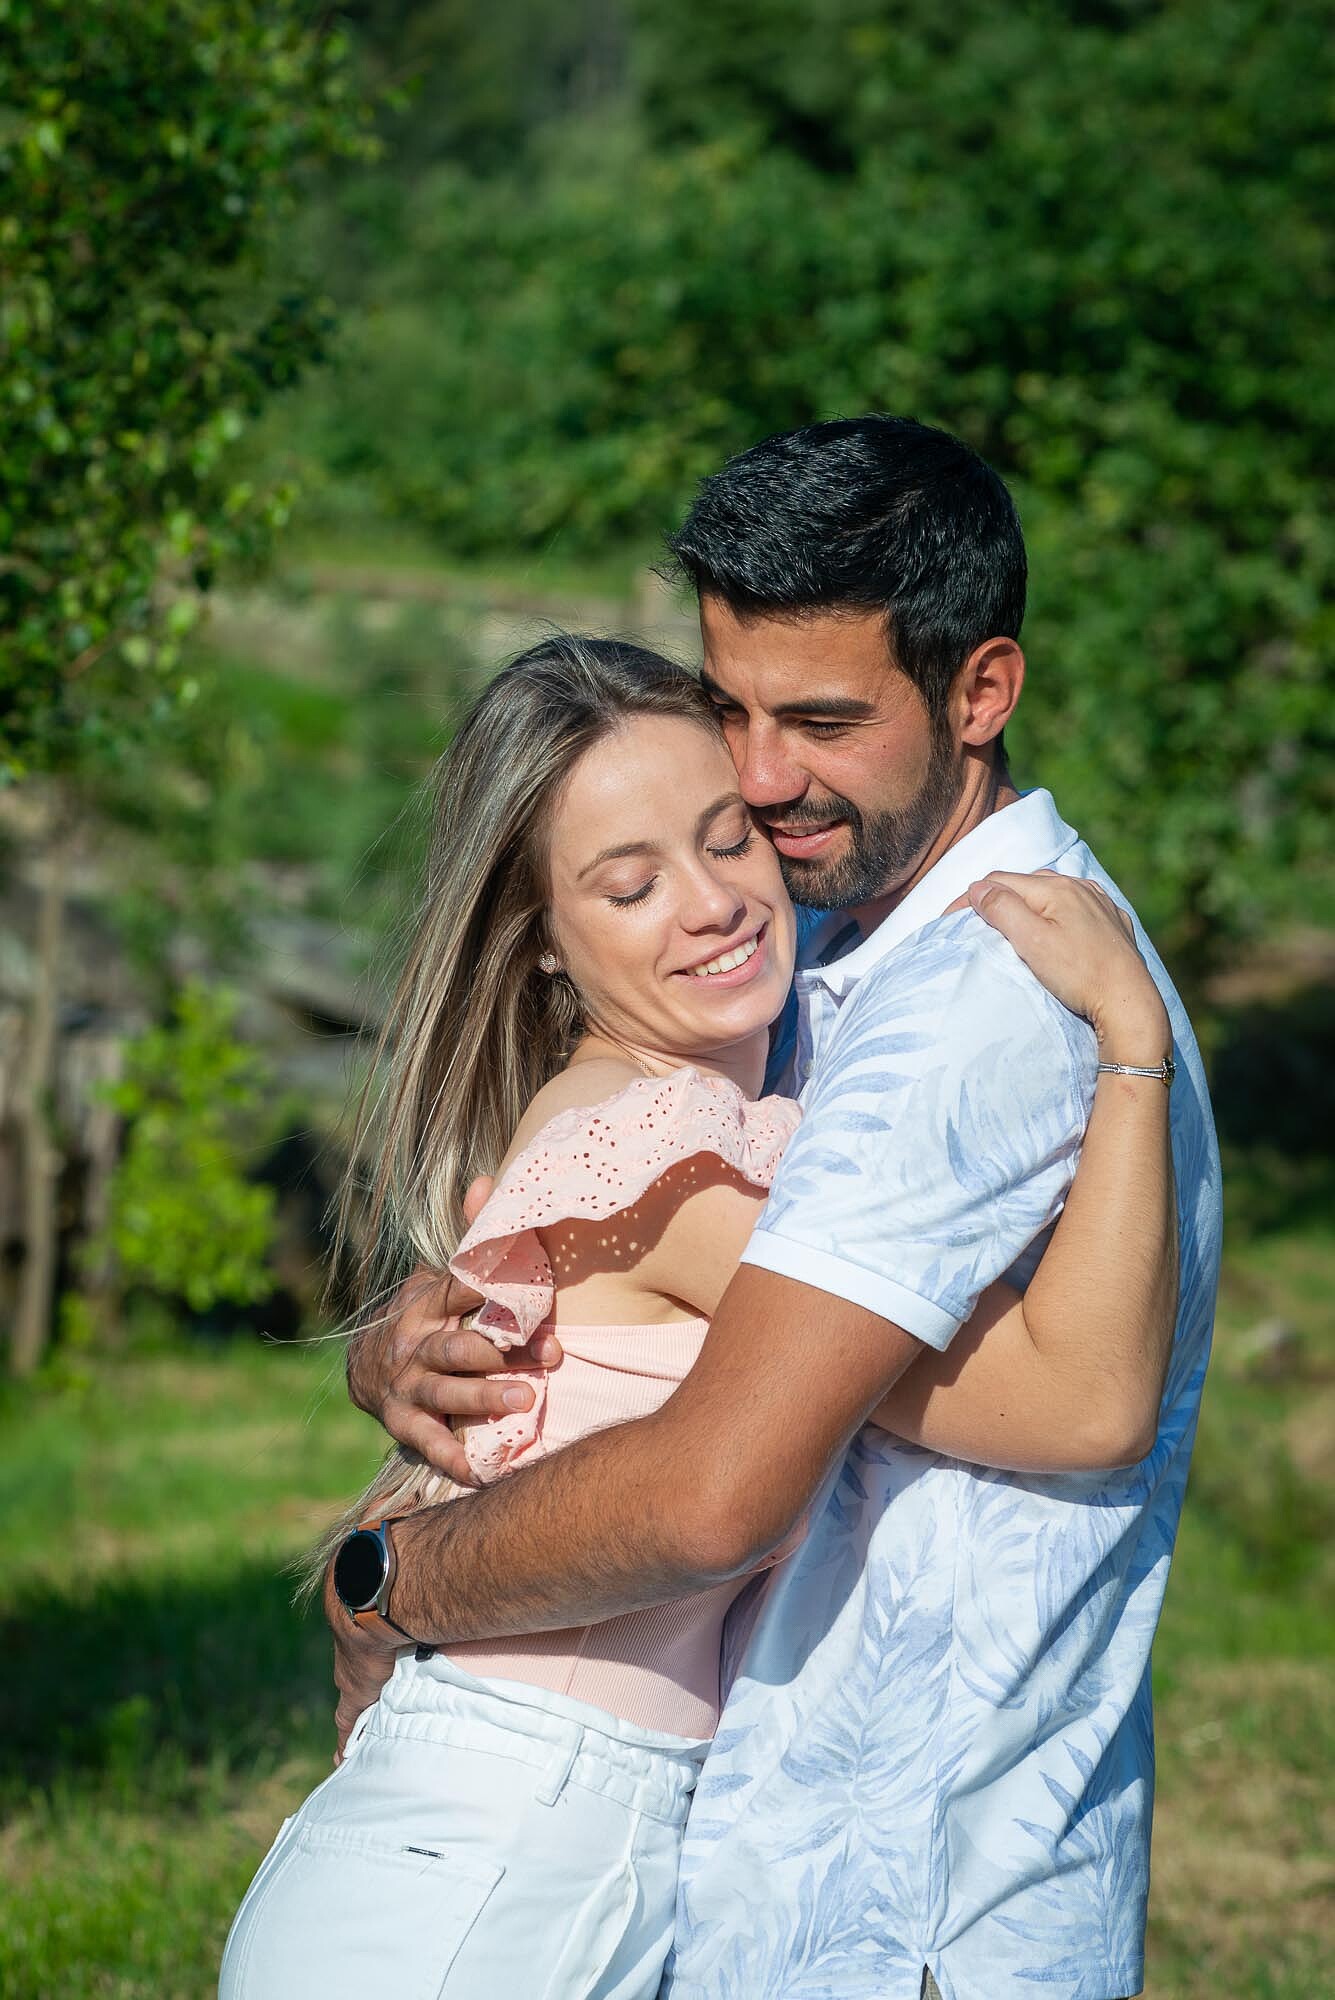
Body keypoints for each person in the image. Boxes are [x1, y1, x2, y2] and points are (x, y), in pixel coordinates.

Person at [343, 418, 1222, 2000]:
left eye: (821, 722)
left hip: (905, 1913)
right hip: (834, 1885)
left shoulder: (978, 1005)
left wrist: (390, 1586)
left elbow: (717, 1487)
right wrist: (421, 1324)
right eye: (733, 710)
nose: (758, 779)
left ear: (983, 692)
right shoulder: (830, 951)